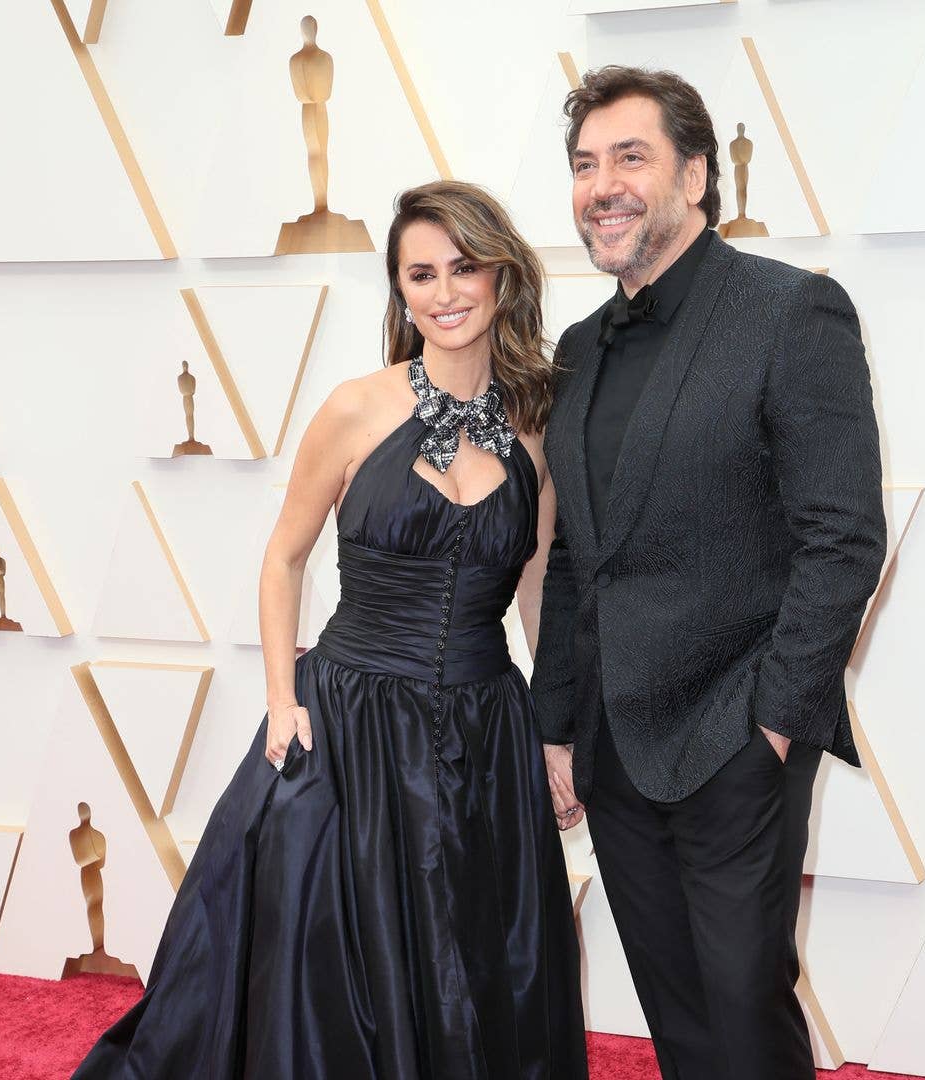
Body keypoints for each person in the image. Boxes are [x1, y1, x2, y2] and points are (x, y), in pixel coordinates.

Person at [72, 180, 588, 1079]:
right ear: (400, 291)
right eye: (420, 274)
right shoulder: (356, 407)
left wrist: (554, 731)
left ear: (502, 276)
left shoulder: (534, 428)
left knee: (481, 956)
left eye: (464, 267)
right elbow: (283, 558)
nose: (445, 291)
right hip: (349, 721)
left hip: (485, 730)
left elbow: (535, 586)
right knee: (331, 968)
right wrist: (280, 697)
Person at [533, 66, 887, 1080]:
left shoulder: (791, 313)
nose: (603, 183)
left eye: (629, 157)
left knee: (740, 1013)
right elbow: (573, 559)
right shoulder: (577, 350)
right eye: (584, 164)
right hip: (612, 737)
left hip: (737, 732)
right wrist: (557, 723)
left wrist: (774, 722)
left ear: (695, 175)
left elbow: (844, 536)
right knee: (676, 1011)